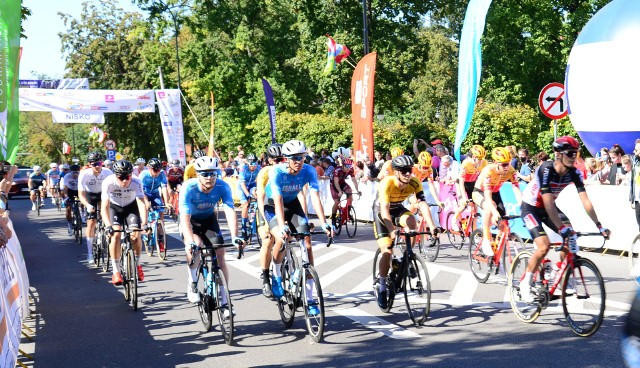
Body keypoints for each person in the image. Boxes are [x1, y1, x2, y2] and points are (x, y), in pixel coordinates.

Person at [518, 136, 609, 302]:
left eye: (576, 153)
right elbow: (547, 203)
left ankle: (561, 273)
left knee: (571, 236)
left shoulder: (574, 172)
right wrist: (561, 229)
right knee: (544, 245)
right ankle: (525, 283)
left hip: (549, 207)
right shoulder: (546, 169)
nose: (574, 157)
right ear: (558, 154)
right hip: (531, 207)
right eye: (570, 153)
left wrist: (599, 225)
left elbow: (585, 200)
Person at [264, 140, 333, 316]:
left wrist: (323, 222)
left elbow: (315, 196)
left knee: (307, 242)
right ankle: (277, 274)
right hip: (272, 205)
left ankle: (309, 298)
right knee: (281, 237)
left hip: (292, 204)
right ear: (286, 159)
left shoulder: (309, 170)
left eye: (301, 157)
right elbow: (278, 200)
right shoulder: (277, 171)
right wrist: (281, 226)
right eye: (294, 158)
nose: (298, 161)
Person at [180, 156, 244, 318]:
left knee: (220, 254)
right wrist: (189, 243)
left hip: (209, 221)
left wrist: (235, 236)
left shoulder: (223, 186)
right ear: (198, 175)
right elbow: (185, 219)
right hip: (191, 223)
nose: (209, 178)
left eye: (213, 174)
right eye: (205, 174)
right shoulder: (189, 188)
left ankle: (224, 302)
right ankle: (192, 283)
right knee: (196, 246)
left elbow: (230, 211)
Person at [372, 155, 436, 309]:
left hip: (399, 208)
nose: (408, 174)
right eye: (404, 171)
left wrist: (432, 226)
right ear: (396, 172)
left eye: (410, 170)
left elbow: (422, 204)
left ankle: (408, 256)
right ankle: (381, 287)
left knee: (412, 221)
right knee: (387, 251)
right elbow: (385, 211)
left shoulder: (414, 182)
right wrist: (392, 230)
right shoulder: (387, 183)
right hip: (382, 212)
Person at [101, 160, 148, 285]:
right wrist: (108, 225)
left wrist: (145, 223)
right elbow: (104, 206)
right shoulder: (108, 182)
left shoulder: (137, 181)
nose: (124, 181)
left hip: (131, 208)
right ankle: (116, 271)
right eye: (120, 177)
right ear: (115, 176)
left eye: (127, 177)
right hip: (114, 208)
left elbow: (142, 203)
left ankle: (137, 265)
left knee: (135, 236)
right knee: (115, 235)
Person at [472, 147, 522, 256]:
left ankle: (496, 247)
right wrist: (494, 212)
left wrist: (523, 206)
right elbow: (487, 196)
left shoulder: (511, 170)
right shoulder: (488, 171)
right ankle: (486, 239)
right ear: (495, 162)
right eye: (503, 164)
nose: (506, 167)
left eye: (508, 163)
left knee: (503, 223)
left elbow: (516, 189)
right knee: (491, 208)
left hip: (495, 192)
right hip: (480, 192)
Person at [256, 143, 285, 298]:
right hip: (265, 207)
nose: (279, 162)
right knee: (268, 239)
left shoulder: (289, 170)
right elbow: (260, 198)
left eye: (282, 158)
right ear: (270, 160)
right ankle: (266, 277)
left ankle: (279, 269)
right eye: (276, 159)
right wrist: (267, 223)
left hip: (282, 205)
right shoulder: (265, 172)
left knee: (285, 237)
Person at [78, 152, 113, 263]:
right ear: (89, 165)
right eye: (94, 164)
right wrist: (87, 205)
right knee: (91, 222)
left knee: (107, 216)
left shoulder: (108, 172)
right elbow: (81, 194)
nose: (97, 166)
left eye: (99, 163)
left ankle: (107, 236)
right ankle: (89, 253)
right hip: (90, 195)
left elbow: (113, 190)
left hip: (104, 194)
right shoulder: (84, 174)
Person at [453, 145, 488, 228]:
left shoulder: (484, 163)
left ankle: (474, 231)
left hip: (472, 183)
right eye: (479, 159)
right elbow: (461, 182)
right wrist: (463, 197)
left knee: (475, 209)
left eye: (482, 159)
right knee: (463, 205)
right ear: (473, 157)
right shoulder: (466, 163)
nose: (480, 162)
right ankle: (454, 219)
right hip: (461, 183)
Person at [139, 158, 170, 243]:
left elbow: (164, 188)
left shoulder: (162, 174)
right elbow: (140, 190)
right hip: (144, 193)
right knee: (145, 208)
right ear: (149, 168)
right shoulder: (143, 175)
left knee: (161, 211)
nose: (157, 172)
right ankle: (145, 227)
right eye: (155, 170)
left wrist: (166, 202)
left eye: (159, 169)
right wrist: (146, 202)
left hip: (155, 194)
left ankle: (160, 233)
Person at [330, 156, 360, 227]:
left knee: (350, 192)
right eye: (347, 166)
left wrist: (357, 190)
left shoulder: (350, 170)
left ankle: (348, 211)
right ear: (343, 165)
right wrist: (340, 191)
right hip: (334, 184)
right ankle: (333, 218)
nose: (348, 169)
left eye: (350, 167)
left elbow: (354, 181)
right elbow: (336, 182)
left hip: (342, 183)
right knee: (337, 202)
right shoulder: (337, 170)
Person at [238, 153, 261, 239]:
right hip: (242, 187)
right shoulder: (243, 169)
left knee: (257, 194)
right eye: (251, 164)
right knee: (245, 205)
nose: (253, 166)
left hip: (252, 186)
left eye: (255, 164)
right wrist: (247, 194)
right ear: (248, 163)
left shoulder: (259, 168)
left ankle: (256, 217)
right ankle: (244, 227)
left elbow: (260, 181)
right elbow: (242, 184)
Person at [61, 164, 81, 235]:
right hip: (70, 191)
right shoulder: (67, 176)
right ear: (70, 172)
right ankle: (69, 225)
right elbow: (65, 187)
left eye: (77, 172)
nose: (75, 174)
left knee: (84, 202)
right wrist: (66, 197)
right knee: (68, 208)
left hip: (79, 190)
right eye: (73, 172)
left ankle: (83, 213)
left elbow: (85, 187)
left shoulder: (82, 176)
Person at [631, 139, 640, 232]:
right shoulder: (635, 162)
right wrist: (632, 198)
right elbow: (633, 182)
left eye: (636, 150)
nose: (634, 152)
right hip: (637, 199)